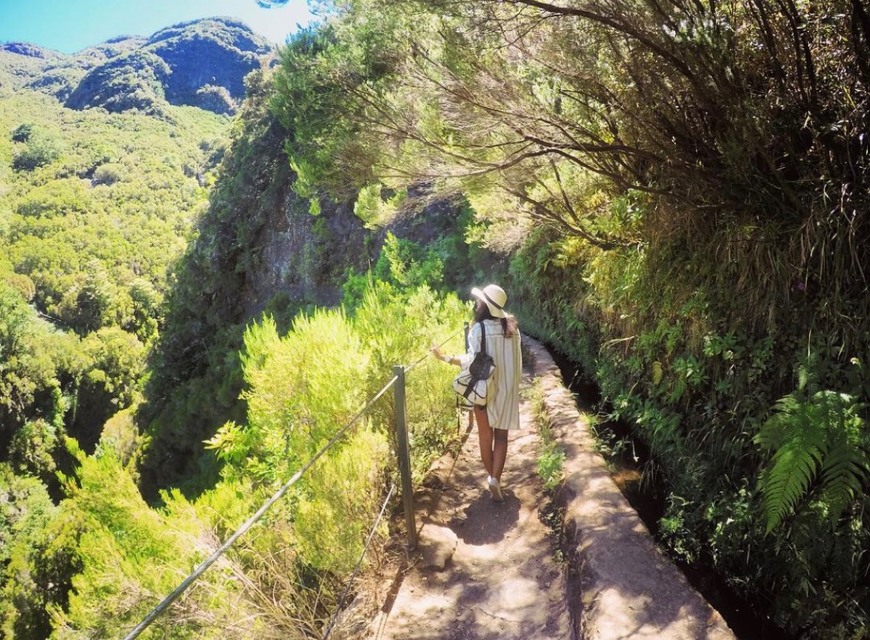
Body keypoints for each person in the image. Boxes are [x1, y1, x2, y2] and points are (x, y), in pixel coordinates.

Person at [431, 284, 522, 502]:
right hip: (507, 389)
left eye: (480, 301)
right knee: (502, 437)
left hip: (484, 389)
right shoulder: (513, 329)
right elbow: (518, 362)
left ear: (486, 306)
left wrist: (444, 357)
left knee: (485, 436)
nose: (477, 304)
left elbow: (471, 362)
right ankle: (495, 480)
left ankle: (491, 477)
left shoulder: (478, 330)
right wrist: (513, 386)